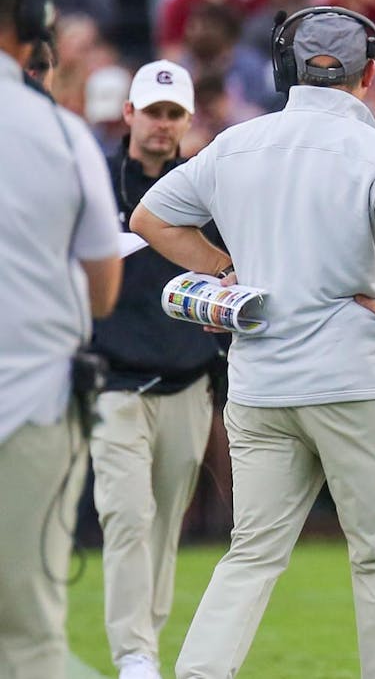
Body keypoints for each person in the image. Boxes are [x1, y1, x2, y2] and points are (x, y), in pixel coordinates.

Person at [131, 7, 375, 676]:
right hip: (352, 382)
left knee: (251, 555)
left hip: (261, 386)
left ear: (286, 69)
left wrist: (221, 268)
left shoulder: (236, 144)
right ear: (368, 76)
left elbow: (149, 217)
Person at [0, 0, 122, 679]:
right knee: (28, 638)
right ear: (29, 23)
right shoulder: (60, 132)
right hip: (33, 404)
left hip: (36, 396)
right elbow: (103, 287)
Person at [89, 60, 221, 679]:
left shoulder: (205, 192)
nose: (162, 125)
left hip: (186, 382)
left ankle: (146, 646)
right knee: (127, 515)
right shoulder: (93, 182)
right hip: (113, 382)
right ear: (130, 114)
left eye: (174, 114)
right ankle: (134, 656)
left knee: (164, 524)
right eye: (154, 112)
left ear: (187, 120)